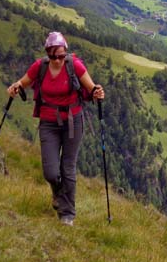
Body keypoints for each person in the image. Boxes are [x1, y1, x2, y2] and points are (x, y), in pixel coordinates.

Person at [7, 31, 104, 226]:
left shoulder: (74, 65)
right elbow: (23, 82)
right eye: (53, 56)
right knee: (50, 172)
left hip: (72, 121)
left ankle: (67, 214)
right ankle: (59, 194)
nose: (58, 60)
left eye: (61, 56)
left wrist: (97, 92)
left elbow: (91, 88)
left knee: (67, 167)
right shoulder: (40, 67)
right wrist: (15, 86)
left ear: (66, 53)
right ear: (48, 54)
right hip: (48, 122)